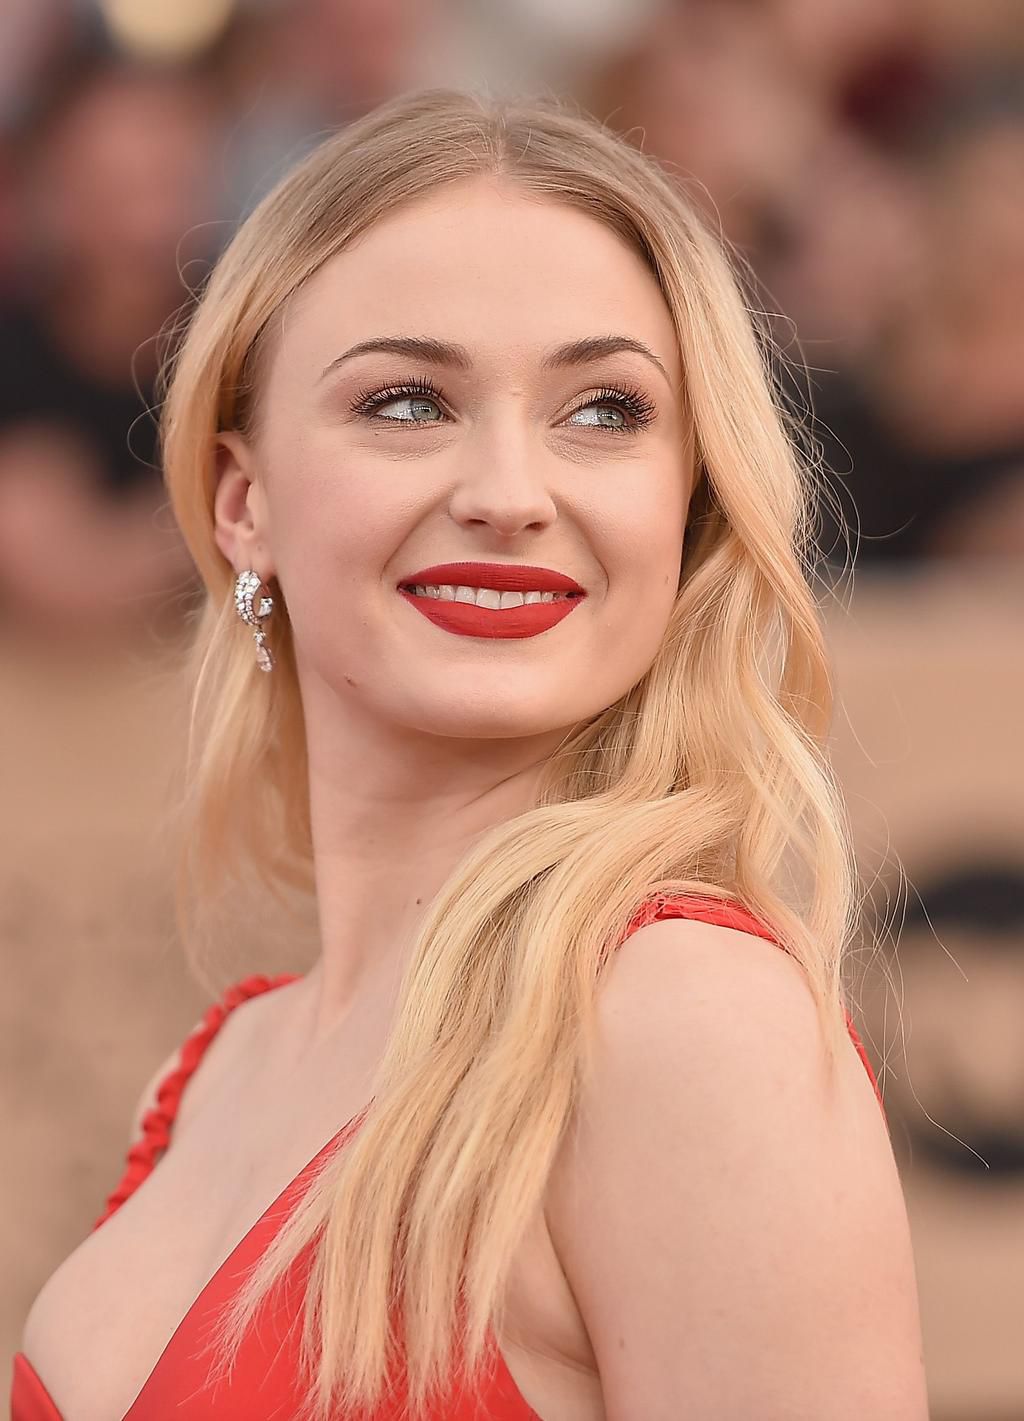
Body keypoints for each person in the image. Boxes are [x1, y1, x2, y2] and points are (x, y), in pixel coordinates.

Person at [12, 89, 928, 1420]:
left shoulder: (683, 1019)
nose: (509, 491)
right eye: (406, 401)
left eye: (605, 410)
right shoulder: (204, 1077)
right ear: (242, 500)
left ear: (688, 497)